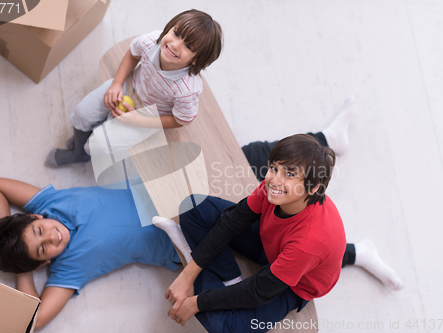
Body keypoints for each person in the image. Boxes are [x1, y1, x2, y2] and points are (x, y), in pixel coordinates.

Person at [152, 98, 403, 332]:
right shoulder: (274, 188)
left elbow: (258, 290)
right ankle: (228, 277)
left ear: (314, 188)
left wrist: (197, 302)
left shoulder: (307, 244)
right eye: (274, 168)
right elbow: (233, 221)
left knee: (224, 326)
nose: (274, 179)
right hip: (271, 243)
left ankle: (192, 254)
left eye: (289, 174)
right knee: (193, 207)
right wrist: (188, 274)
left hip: (294, 284)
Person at [0, 177, 181, 330]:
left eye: (40, 230)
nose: (52, 237)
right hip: (183, 237)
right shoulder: (68, 268)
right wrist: (23, 267)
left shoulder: (51, 203)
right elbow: (35, 319)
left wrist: (7, 229)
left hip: (163, 183)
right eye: (42, 249)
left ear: (34, 217)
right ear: (42, 263)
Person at [46, 9, 223, 166]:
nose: (175, 45)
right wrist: (116, 83)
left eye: (188, 46)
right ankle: (79, 148)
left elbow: (182, 120)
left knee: (97, 145)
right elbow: (133, 54)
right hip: (128, 85)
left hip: (149, 114)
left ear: (196, 60)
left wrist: (138, 120)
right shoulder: (151, 41)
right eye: (176, 33)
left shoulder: (188, 90)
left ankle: (82, 153)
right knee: (83, 113)